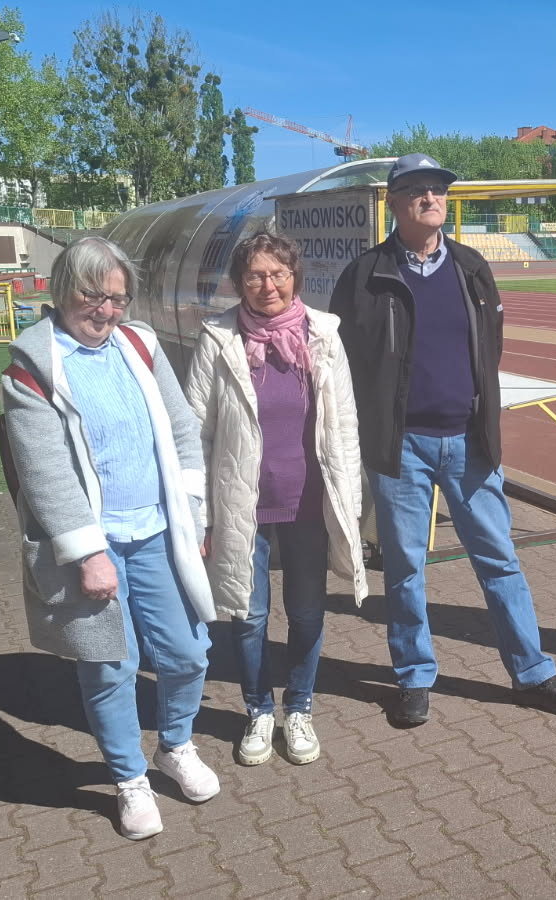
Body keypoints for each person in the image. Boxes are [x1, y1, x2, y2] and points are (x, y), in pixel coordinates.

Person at [329, 153, 556, 726]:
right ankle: (414, 677)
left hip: (469, 443)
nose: (431, 198)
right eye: (417, 190)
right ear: (394, 203)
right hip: (401, 447)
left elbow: (488, 346)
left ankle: (533, 673)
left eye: (439, 189)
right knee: (405, 569)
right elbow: (342, 364)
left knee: (500, 561)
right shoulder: (365, 274)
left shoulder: (471, 267)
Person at [2, 236, 219, 840]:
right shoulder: (33, 366)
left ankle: (176, 745)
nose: (105, 311)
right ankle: (129, 780)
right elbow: (44, 471)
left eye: (117, 299)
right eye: (92, 296)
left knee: (187, 653)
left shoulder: (140, 345)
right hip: (94, 546)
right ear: (63, 291)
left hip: (159, 530)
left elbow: (182, 429)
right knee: (108, 666)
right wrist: (88, 552)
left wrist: (192, 512)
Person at [185, 231, 368, 768]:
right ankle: (259, 710)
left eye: (278, 274)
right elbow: (195, 434)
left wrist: (351, 504)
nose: (268, 286)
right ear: (239, 282)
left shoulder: (323, 335)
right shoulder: (218, 339)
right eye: (255, 276)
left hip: (308, 499)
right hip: (241, 502)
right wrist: (200, 516)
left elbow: (346, 425)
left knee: (307, 611)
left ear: (295, 277)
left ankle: (300, 707)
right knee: (248, 614)